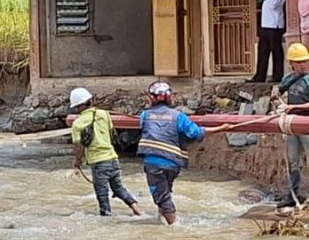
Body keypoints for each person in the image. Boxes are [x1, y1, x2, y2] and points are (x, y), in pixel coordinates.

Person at [137, 81, 229, 224]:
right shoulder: (178, 116)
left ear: (151, 98)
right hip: (173, 165)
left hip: (154, 164)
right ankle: (162, 220)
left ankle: (173, 226)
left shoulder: (144, 115)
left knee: (161, 196)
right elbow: (196, 133)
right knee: (165, 193)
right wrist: (221, 128)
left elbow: (144, 125)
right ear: (169, 98)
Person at [69, 87, 141, 217]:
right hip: (113, 158)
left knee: (102, 195)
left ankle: (106, 219)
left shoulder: (77, 123)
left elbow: (78, 147)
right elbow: (111, 134)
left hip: (98, 162)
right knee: (118, 189)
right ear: (90, 101)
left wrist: (77, 162)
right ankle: (137, 209)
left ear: (77, 107)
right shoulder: (104, 114)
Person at [272, 42, 309, 207]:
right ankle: (293, 193)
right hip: (291, 124)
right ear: (292, 64)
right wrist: (275, 92)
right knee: (292, 159)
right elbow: (278, 92)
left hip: (307, 123)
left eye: (304, 61)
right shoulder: (288, 79)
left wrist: (293, 107)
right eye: (299, 62)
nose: (303, 65)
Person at [252, 0, 286, 82]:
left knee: (276, 51)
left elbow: (273, 5)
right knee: (263, 51)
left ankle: (277, 76)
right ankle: (259, 76)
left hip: (274, 26)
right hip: (265, 25)